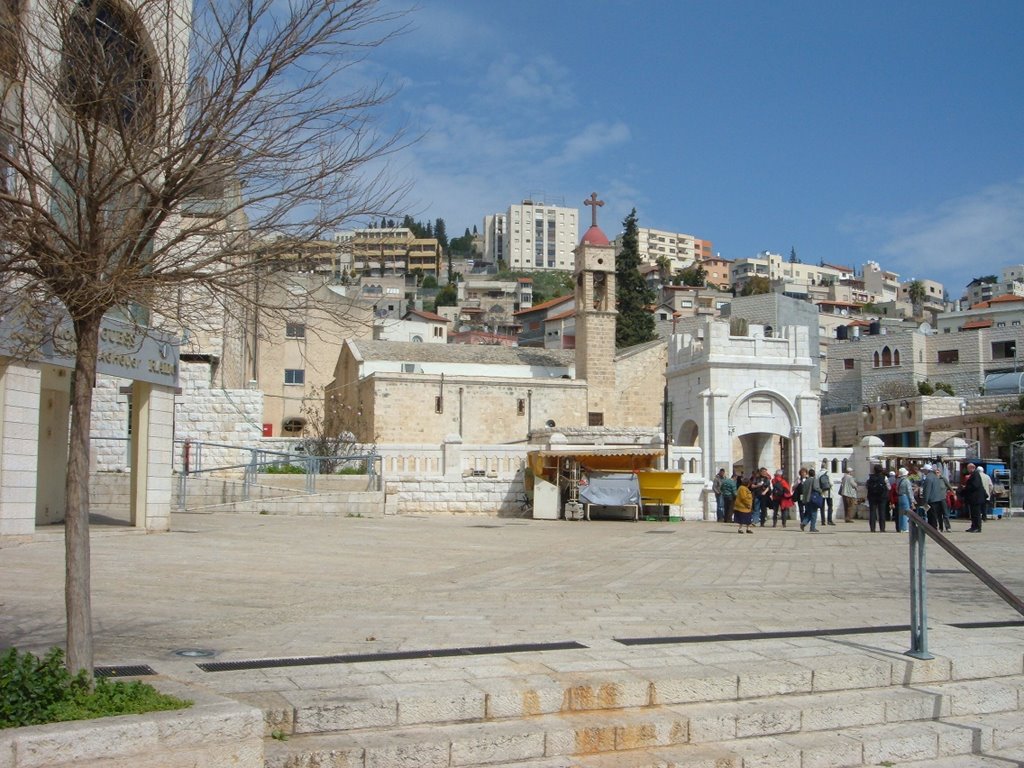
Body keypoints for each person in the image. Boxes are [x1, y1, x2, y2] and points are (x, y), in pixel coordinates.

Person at [919, 464, 948, 531]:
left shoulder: (928, 478)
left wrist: (925, 501)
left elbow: (927, 490)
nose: (923, 472)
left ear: (927, 470)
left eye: (924, 470)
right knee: (935, 515)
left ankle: (932, 529)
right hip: (938, 499)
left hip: (931, 500)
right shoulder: (935, 477)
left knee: (931, 516)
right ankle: (935, 528)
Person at [963, 463, 987, 533]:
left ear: (971, 468)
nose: (967, 470)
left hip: (976, 498)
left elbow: (975, 485)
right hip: (973, 498)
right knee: (973, 513)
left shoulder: (975, 474)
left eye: (968, 468)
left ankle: (977, 527)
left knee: (976, 513)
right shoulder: (973, 475)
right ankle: (973, 526)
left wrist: (967, 487)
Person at [865, 464, 889, 533]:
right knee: (882, 512)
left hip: (872, 496)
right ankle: (882, 528)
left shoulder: (870, 477)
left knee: (872, 512)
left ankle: (872, 528)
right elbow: (889, 487)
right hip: (882, 496)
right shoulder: (884, 477)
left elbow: (866, 486)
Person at [895, 467, 914, 532]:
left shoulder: (898, 480)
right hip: (905, 496)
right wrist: (912, 500)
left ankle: (901, 527)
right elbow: (909, 491)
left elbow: (896, 490)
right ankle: (904, 528)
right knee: (906, 513)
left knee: (900, 513)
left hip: (899, 497)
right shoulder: (906, 480)